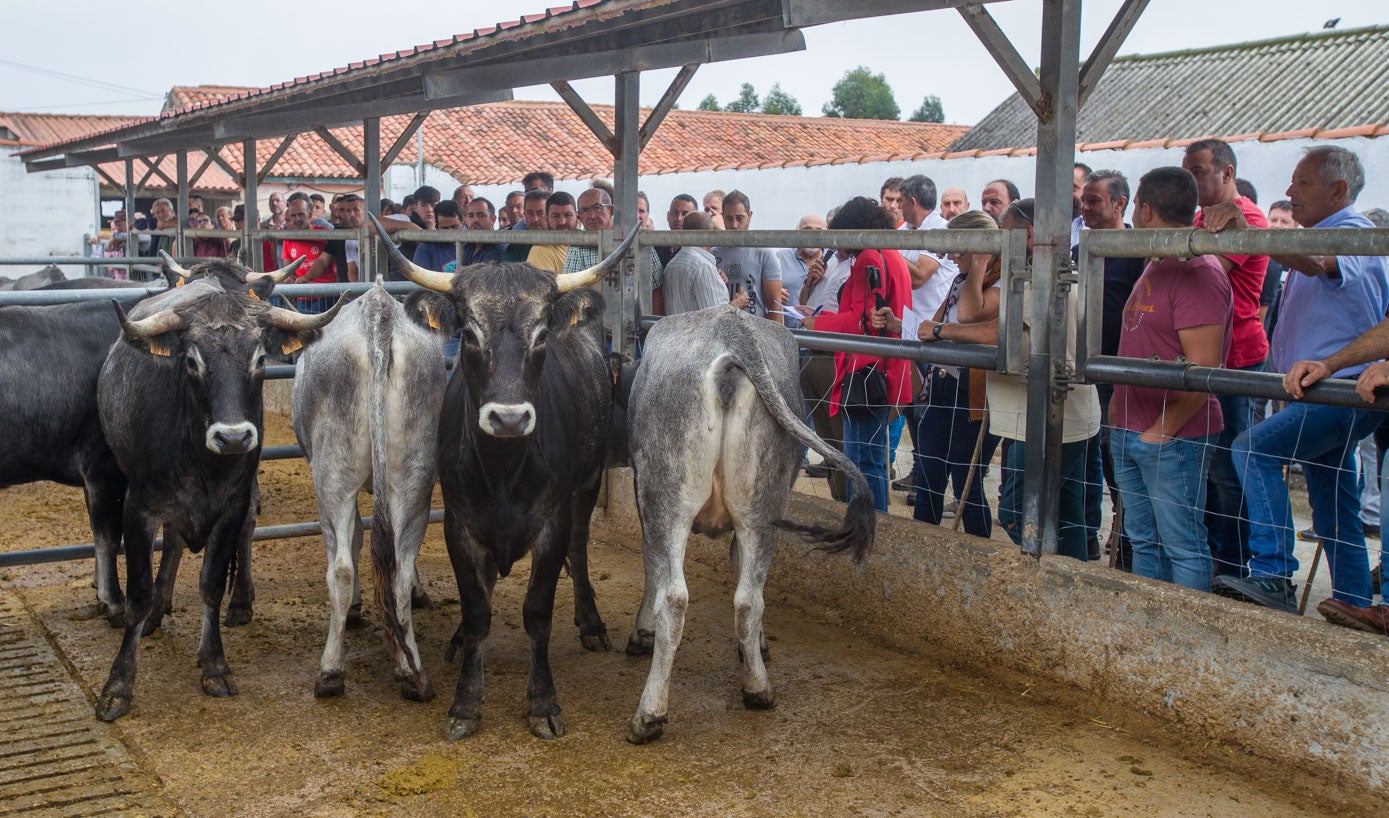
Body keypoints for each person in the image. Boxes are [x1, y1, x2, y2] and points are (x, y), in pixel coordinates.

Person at [1205, 146, 1389, 616]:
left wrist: (1252, 232)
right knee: (1332, 494)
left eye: (1302, 183)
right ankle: (1350, 598)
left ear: (1338, 189)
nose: (1290, 192)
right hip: (1325, 389)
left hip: (1342, 389)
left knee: (1252, 449)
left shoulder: (1351, 234)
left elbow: (1315, 263)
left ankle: (1273, 573)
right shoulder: (1322, 233)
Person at [922, 200, 1101, 557]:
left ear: (1028, 234)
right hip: (1057, 410)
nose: (1000, 240)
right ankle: (1065, 584)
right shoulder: (1045, 271)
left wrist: (944, 331)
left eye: (1005, 232)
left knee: (1017, 508)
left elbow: (1004, 334)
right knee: (1066, 510)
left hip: (1040, 413)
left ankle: (1048, 571)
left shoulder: (1046, 275)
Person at [1108, 167, 1232, 592]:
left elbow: (1203, 369)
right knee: (1144, 541)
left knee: (1181, 543)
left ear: (1143, 209)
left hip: (1170, 433)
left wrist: (1160, 433)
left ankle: (1183, 638)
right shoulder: (1158, 261)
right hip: (1133, 425)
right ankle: (1151, 633)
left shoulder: (1198, 270)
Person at [1182, 139, 1272, 579]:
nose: (1192, 180)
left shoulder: (1248, 217)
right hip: (1210, 355)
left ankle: (1234, 565)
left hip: (1235, 357)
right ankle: (1220, 557)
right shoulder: (1202, 217)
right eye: (1188, 172)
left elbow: (1205, 269)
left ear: (1227, 173)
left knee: (1231, 465)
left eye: (1199, 171)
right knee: (1214, 464)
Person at [798, 197, 912, 512]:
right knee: (870, 456)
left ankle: (865, 525)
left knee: (861, 458)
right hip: (884, 365)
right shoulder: (890, 253)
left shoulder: (868, 258)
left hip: (865, 368)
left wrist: (815, 322)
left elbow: (860, 319)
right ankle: (872, 523)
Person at [893, 211, 1002, 537]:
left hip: (973, 390)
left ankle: (978, 551)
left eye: (959, 248)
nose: (951, 256)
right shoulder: (959, 281)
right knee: (929, 470)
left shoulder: (999, 282)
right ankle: (924, 543)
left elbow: (967, 316)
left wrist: (980, 265)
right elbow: (934, 328)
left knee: (965, 476)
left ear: (980, 247)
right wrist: (900, 326)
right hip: (943, 382)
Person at [1077, 169, 1146, 564]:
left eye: (1094, 201)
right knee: (1089, 456)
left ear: (1120, 204)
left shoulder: (1136, 250)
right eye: (1084, 200)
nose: (1085, 207)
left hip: (1118, 369)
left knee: (1118, 458)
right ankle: (1088, 534)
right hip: (1082, 369)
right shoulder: (1079, 249)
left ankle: (1128, 542)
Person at [561, 188, 664, 284]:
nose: (592, 216)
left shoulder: (639, 240)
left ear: (611, 210)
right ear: (579, 216)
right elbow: (570, 290)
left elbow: (656, 290)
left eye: (597, 208)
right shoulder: (578, 246)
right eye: (585, 210)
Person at [710, 191, 783, 322]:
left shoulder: (763, 253)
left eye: (739, 218)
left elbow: (775, 305)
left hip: (755, 331)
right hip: (721, 330)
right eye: (729, 218)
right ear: (722, 216)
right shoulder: (713, 254)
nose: (734, 225)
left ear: (749, 216)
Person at [659, 213, 729, 314]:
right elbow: (717, 318)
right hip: (698, 329)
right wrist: (737, 304)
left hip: (675, 329)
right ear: (710, 235)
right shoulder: (703, 267)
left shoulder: (672, 264)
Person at [281, 197, 336, 312]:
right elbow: (287, 262)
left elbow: (327, 261)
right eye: (293, 215)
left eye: (301, 214)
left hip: (324, 294)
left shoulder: (324, 234)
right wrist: (290, 276)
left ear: (310, 214)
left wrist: (306, 278)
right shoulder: (288, 238)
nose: (297, 219)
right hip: (302, 295)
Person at [772, 214, 828, 329]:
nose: (812, 235)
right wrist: (774, 292)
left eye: (818, 231)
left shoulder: (833, 262)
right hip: (787, 335)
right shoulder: (780, 258)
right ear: (797, 232)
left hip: (821, 338)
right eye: (807, 230)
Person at [529, 192, 575, 274]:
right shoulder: (540, 250)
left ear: (577, 216)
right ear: (547, 218)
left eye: (568, 215)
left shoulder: (586, 244)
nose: (562, 222)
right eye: (555, 216)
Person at [502, 189, 551, 264]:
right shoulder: (516, 248)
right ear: (524, 214)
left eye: (540, 213)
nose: (535, 219)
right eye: (530, 213)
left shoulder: (562, 243)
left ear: (549, 214)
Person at [414, 200, 461, 272]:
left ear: (463, 221)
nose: (450, 232)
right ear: (437, 226)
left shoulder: (473, 244)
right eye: (445, 228)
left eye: (454, 227)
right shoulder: (427, 246)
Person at [458, 197, 505, 267]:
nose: (475, 219)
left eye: (481, 215)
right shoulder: (465, 246)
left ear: (493, 219)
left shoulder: (498, 248)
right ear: (465, 219)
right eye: (471, 216)